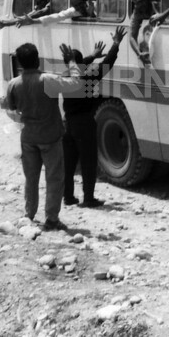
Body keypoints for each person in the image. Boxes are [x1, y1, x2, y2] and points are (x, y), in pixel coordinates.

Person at [1, 42, 81, 230]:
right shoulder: (48, 80)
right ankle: (51, 218)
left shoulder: (14, 83)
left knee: (31, 178)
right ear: (38, 59)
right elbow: (76, 83)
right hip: (51, 137)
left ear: (19, 63)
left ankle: (29, 214)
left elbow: (11, 106)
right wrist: (71, 62)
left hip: (28, 136)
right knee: (54, 178)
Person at [62, 26, 126, 207]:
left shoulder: (65, 76)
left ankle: (68, 197)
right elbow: (108, 62)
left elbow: (78, 66)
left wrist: (90, 56)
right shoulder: (88, 78)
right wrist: (116, 43)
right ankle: (88, 198)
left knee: (69, 163)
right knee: (88, 161)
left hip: (68, 124)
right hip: (84, 123)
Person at [123, 0, 158, 65]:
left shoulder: (155, 6)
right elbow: (132, 36)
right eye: (137, 3)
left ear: (147, 0)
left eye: (142, 1)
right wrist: (139, 54)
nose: (139, 5)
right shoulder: (137, 12)